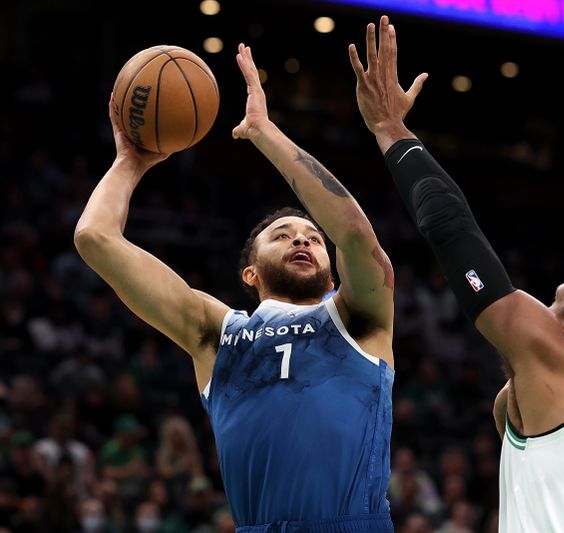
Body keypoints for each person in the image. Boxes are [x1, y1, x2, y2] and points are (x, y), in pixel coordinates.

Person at [349, 16, 564, 532]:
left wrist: (390, 130)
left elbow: (450, 228)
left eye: (553, 302)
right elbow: (512, 416)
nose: (540, 313)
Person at [75, 43, 395, 532]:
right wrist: (131, 162)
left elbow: (352, 231)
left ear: (333, 275)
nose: (301, 240)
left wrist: (264, 133)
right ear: (250, 272)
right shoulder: (216, 333)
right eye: (282, 235)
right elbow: (95, 238)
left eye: (312, 236)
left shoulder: (360, 320)